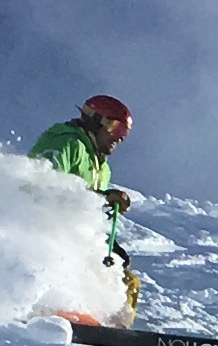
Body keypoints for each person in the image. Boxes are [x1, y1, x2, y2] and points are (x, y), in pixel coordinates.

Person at [31, 94, 143, 324]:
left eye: (124, 133)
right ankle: (43, 308)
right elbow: (39, 186)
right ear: (94, 120)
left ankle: (112, 332)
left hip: (75, 239)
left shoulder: (101, 168)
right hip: (41, 234)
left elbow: (87, 212)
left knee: (127, 282)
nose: (118, 138)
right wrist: (102, 197)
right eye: (115, 128)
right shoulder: (65, 143)